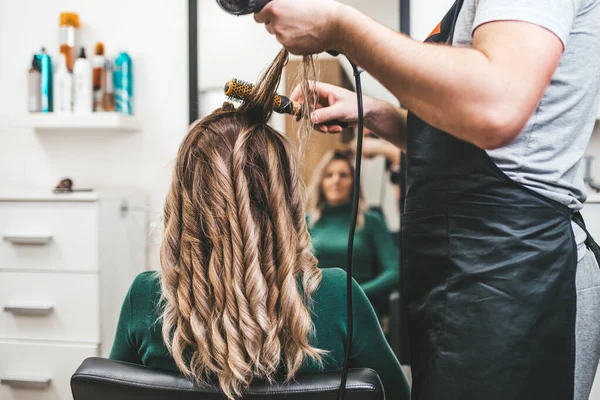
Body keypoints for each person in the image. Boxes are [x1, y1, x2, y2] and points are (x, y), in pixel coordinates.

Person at [253, 1, 600, 399]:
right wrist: (376, 115)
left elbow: (496, 106)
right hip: (461, 271)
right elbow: (462, 137)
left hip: (522, 274)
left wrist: (341, 27)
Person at [108, 49, 410, 400]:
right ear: (285, 199)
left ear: (184, 199)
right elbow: (396, 397)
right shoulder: (337, 296)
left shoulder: (145, 298)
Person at [305, 148, 399, 306]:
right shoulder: (305, 222)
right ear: (321, 182)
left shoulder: (371, 221)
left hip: (358, 304)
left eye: (343, 175)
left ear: (354, 182)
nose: (336, 180)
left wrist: (357, 292)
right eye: (329, 175)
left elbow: (395, 271)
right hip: (314, 304)